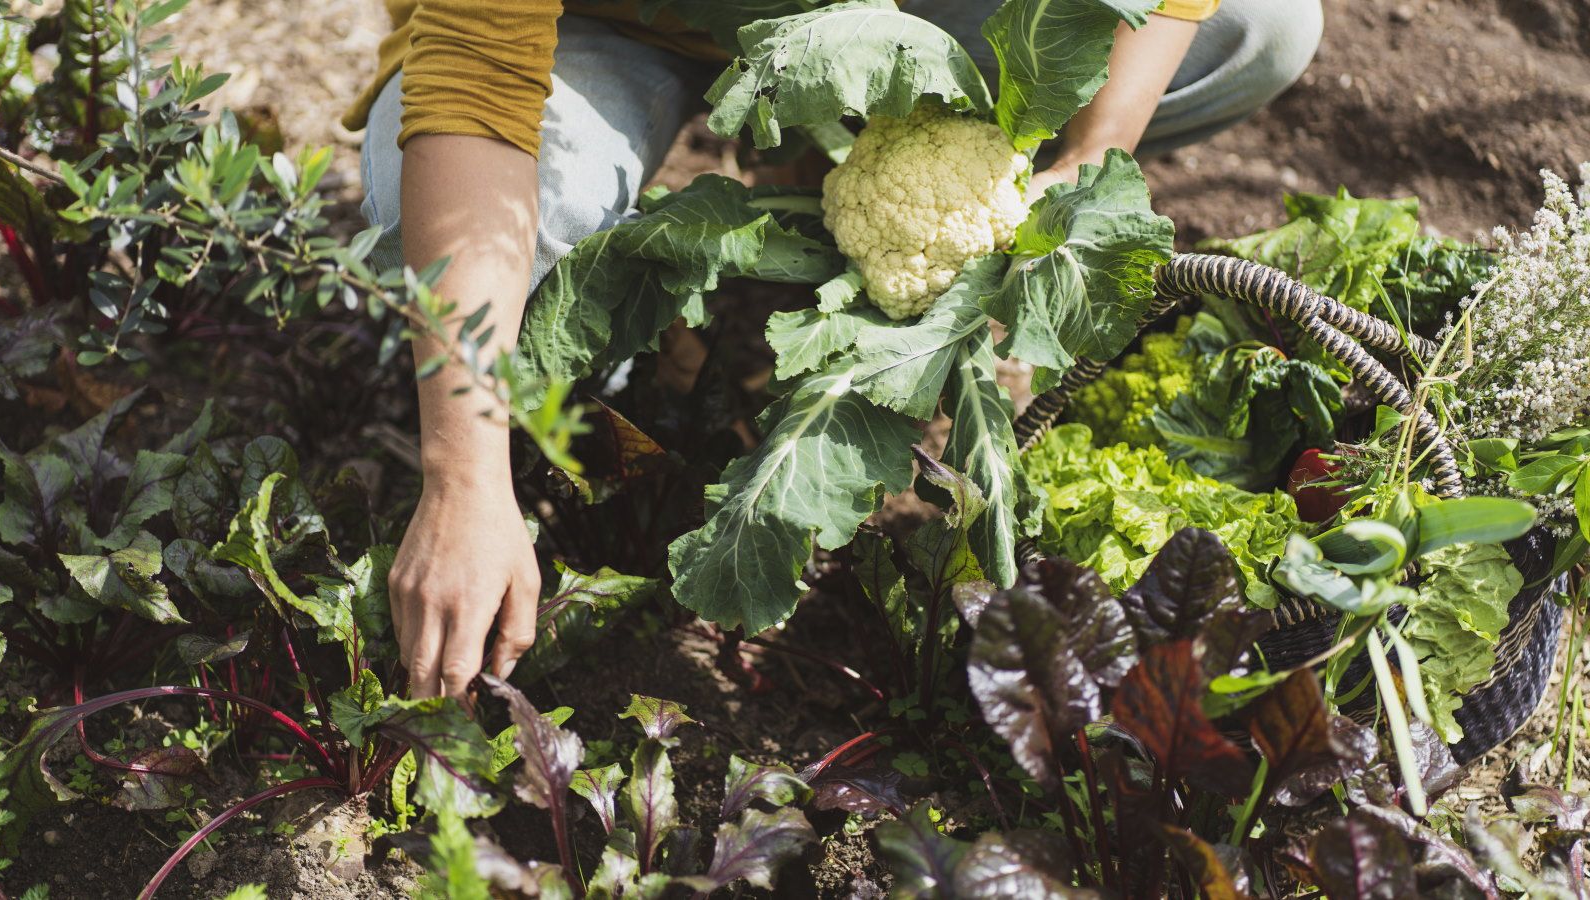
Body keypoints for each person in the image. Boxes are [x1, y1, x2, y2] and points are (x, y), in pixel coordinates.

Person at [344, 0, 1325, 700]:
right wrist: (463, 475)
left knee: (1257, 27)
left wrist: (1085, 155)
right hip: (600, 24)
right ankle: (618, 360)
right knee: (474, 252)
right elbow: (473, 84)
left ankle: (809, 166)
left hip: (877, 19)